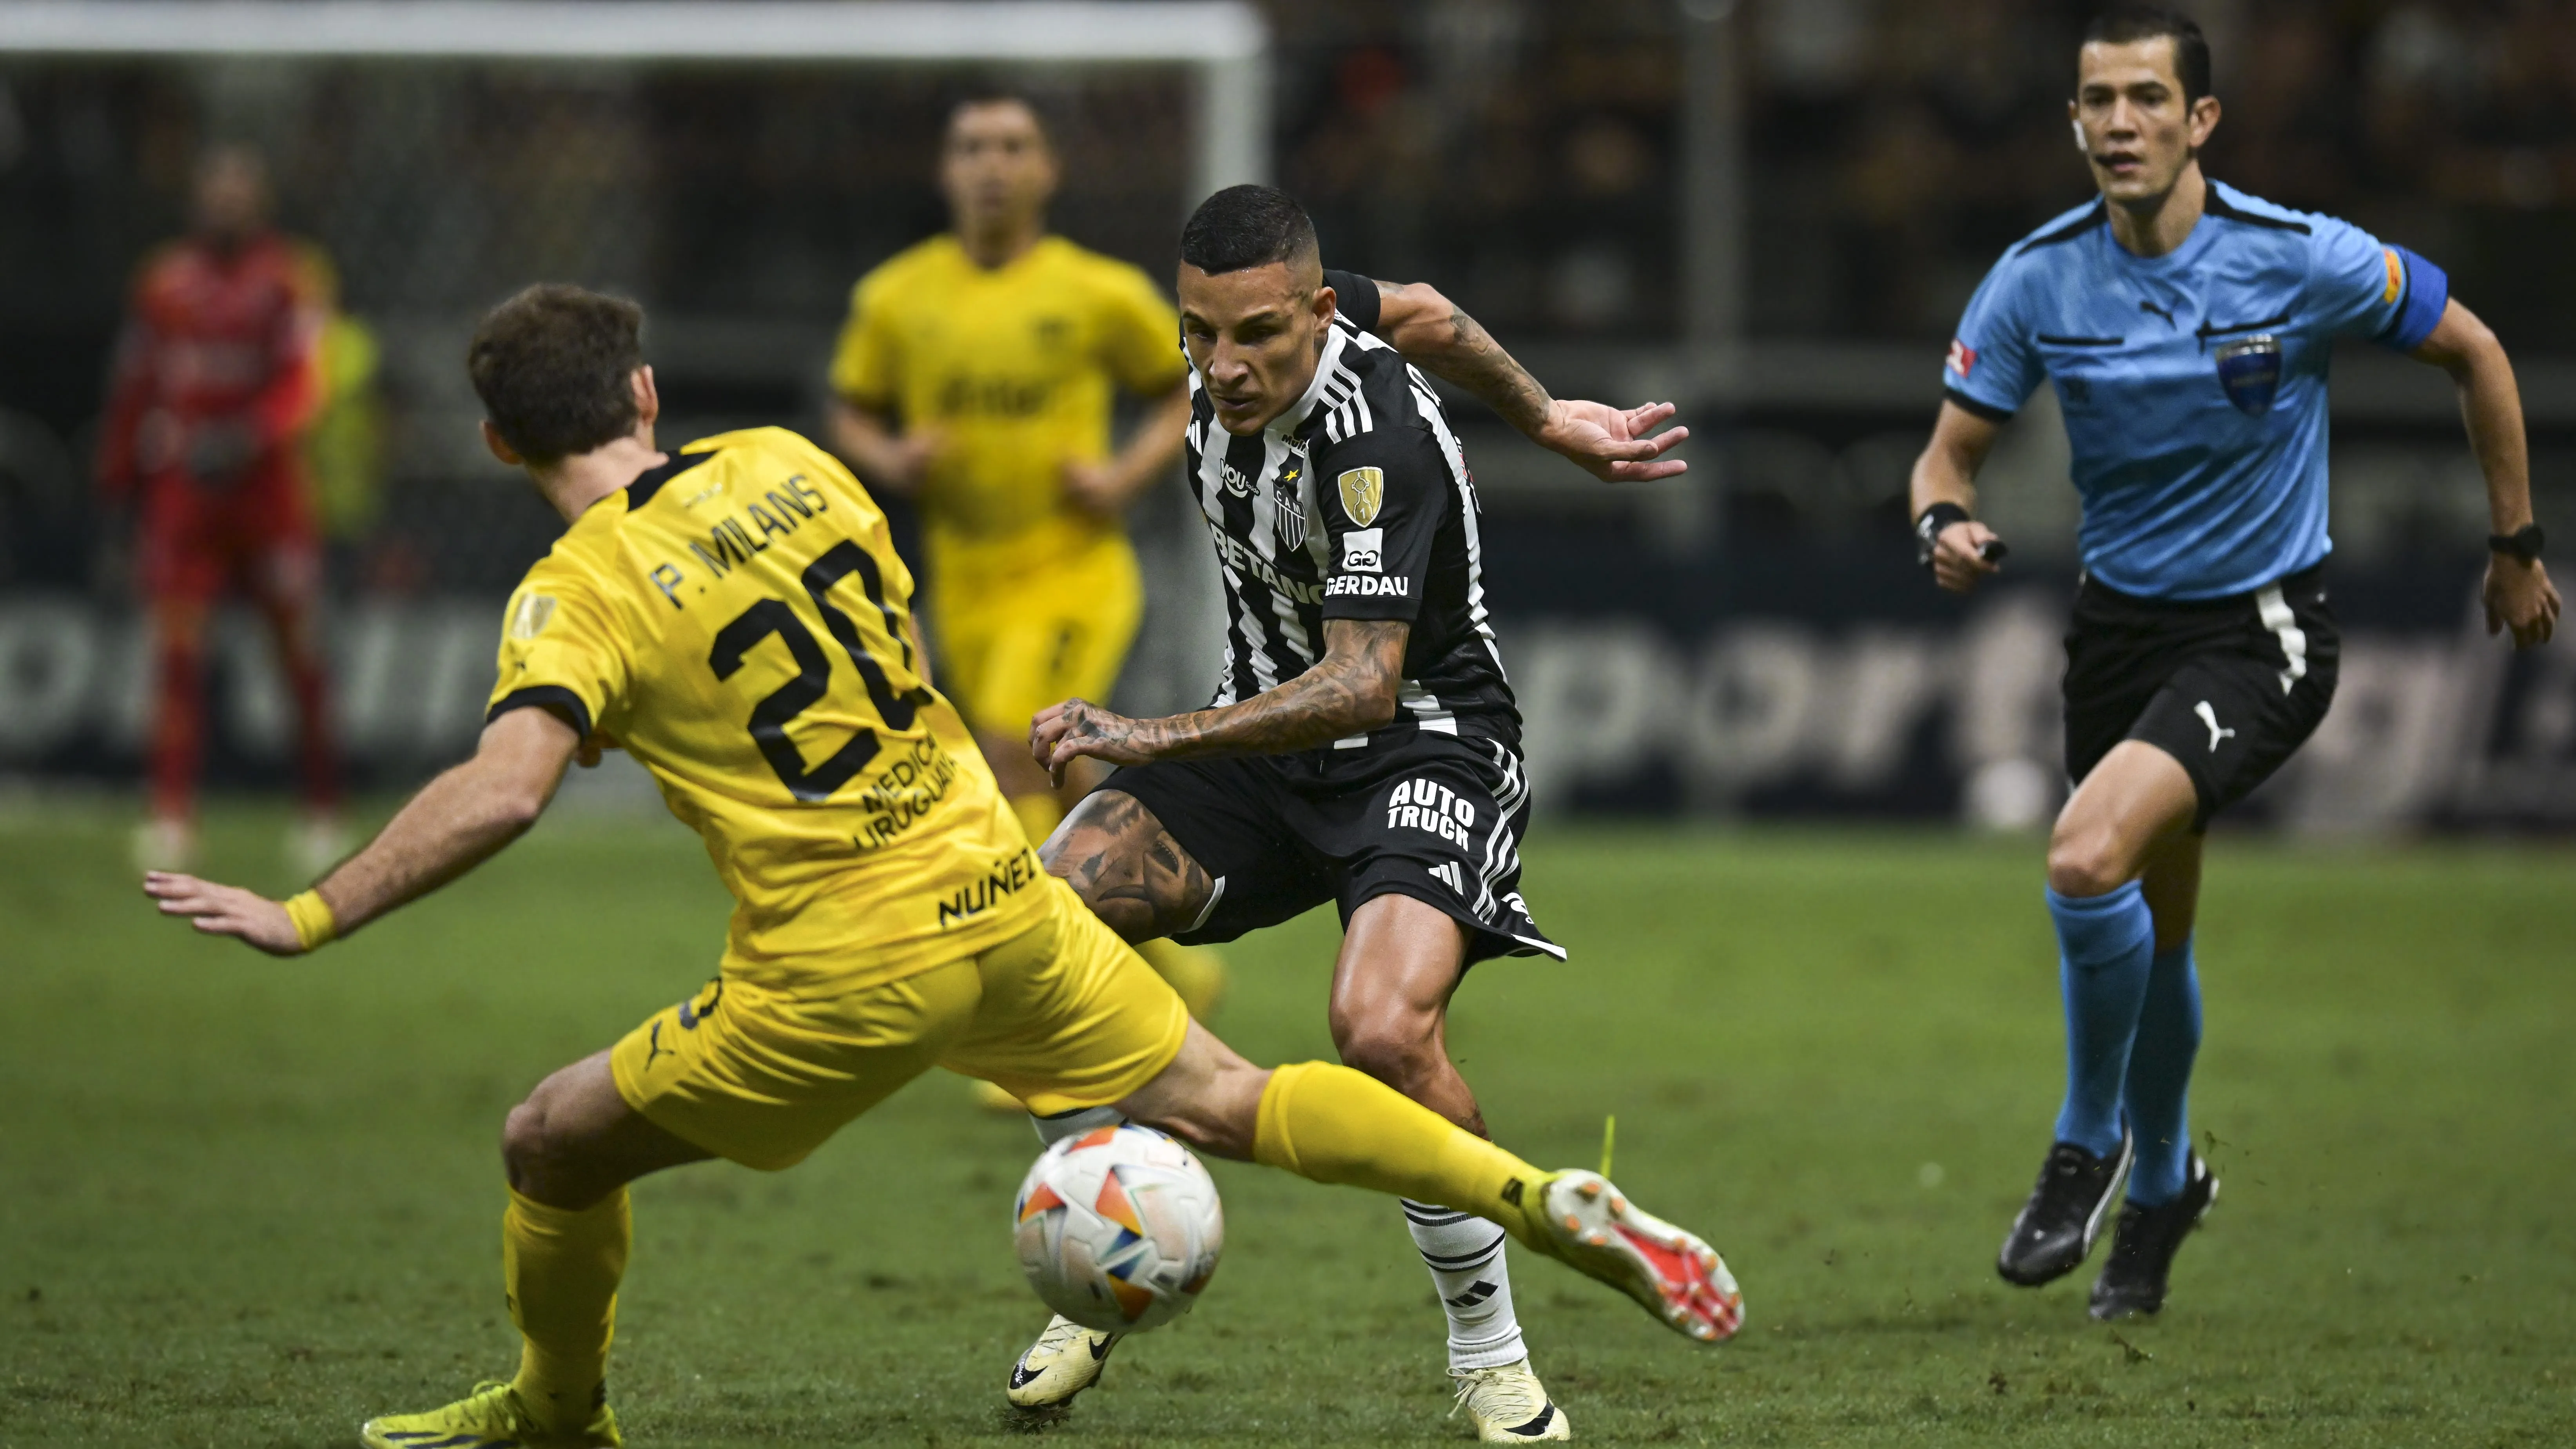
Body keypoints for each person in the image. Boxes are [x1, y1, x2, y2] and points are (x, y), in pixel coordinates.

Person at [141, 284, 1742, 1449]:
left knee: (549, 1142)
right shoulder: (789, 465)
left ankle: (558, 1418)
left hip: (845, 967)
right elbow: (898, 659)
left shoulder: (574, 594)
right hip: (996, 892)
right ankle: (1531, 1196)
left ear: (500, 442)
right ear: (645, 390)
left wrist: (313, 907)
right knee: (1239, 1097)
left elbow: (503, 793)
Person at [994, 185, 1700, 1442]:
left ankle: (1490, 1356)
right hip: (1265, 745)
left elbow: (1362, 684)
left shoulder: (1372, 444)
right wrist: (1545, 415)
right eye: (1198, 333)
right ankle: (1105, 1248)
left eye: (1257, 335)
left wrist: (1140, 735)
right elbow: (1421, 306)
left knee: (1379, 1029)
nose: (1223, 366)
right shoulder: (1272, 331)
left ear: (1318, 316)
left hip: (1421, 742)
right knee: (1030, 932)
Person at [1910, 5, 2559, 1322]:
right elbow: (1945, 456)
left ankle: (2088, 1143)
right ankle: (2165, 1186)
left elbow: (2477, 351)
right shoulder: (2036, 278)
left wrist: (2514, 546)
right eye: (2099, 101)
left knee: (2083, 859)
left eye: (2148, 98)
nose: (2121, 123)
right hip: (2116, 634)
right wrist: (1942, 525)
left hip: (2260, 630)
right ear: (2073, 122)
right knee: (2156, 929)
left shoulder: (2297, 258)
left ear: (2200, 119)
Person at [822, 97, 1233, 1035]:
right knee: (1048, 776)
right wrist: (891, 458)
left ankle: (1051, 1009)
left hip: (1070, 571)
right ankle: (1173, 973)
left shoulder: (1095, 293)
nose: (992, 166)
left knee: (1016, 748)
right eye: (972, 148)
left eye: (1013, 148)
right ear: (946, 171)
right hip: (964, 582)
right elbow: (850, 409)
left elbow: (1185, 386)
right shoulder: (896, 297)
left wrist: (1122, 476)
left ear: (1047, 171)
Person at [98, 144, 343, 874]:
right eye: (216, 192)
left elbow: (307, 381)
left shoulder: (293, 277)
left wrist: (250, 436)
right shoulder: (162, 282)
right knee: (177, 657)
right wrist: (117, 488)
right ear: (196, 200)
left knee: (300, 657)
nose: (226, 204)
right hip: (185, 499)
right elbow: (135, 386)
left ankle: (321, 808)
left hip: (269, 498)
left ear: (260, 202)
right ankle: (171, 814)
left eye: (239, 192)